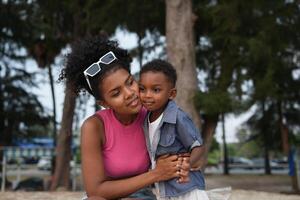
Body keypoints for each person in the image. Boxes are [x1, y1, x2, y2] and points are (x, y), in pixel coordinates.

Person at [59, 36, 190, 200]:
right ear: (104, 103)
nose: (130, 93)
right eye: (116, 93)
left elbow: (181, 153)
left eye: (130, 82)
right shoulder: (94, 127)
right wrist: (155, 175)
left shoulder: (153, 114)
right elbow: (96, 191)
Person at [139, 59, 209, 200]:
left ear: (171, 94)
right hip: (166, 189)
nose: (147, 95)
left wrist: (188, 164)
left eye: (156, 90)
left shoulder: (178, 117)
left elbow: (198, 147)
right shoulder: (145, 119)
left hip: (187, 189)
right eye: (142, 89)